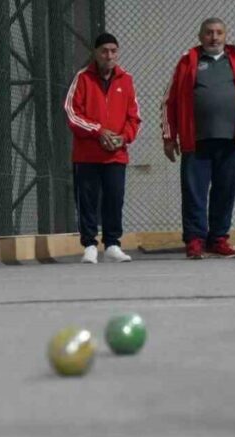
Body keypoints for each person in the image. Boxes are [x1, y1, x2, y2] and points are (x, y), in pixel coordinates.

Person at [161, 18, 235, 260]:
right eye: (208, 33)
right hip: (196, 141)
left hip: (231, 141)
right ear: (200, 36)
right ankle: (195, 240)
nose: (214, 37)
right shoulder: (187, 61)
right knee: (194, 191)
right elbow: (169, 101)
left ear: (226, 35)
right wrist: (168, 137)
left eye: (218, 33)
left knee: (225, 191)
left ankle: (218, 239)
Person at [64, 32, 142, 264]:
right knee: (87, 200)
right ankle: (89, 244)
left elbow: (134, 117)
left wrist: (122, 137)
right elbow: (71, 113)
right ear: (95, 53)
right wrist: (99, 132)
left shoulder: (126, 80)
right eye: (104, 51)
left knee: (114, 199)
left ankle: (112, 244)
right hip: (87, 154)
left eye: (113, 51)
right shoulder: (82, 78)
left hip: (116, 154)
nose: (109, 55)